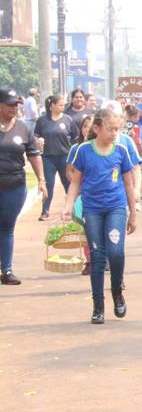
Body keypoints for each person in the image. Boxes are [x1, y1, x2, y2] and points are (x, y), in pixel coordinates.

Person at [62, 108, 138, 323]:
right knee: (97, 256)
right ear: (96, 128)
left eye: (117, 129)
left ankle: (117, 292)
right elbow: (75, 181)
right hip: (92, 209)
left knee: (116, 253)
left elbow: (128, 184)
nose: (114, 133)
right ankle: (98, 305)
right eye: (110, 129)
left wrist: (133, 213)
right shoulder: (84, 150)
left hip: (116, 208)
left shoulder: (121, 150)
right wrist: (68, 206)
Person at [0, 88, 45, 285]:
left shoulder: (23, 128)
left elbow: (33, 155)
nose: (13, 108)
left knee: (7, 227)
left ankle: (7, 270)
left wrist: (42, 180)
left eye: (15, 105)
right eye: (9, 105)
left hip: (14, 185)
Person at [34, 94, 79, 221]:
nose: (62, 107)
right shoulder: (42, 120)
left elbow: (75, 138)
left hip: (65, 157)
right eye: (60, 104)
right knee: (49, 184)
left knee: (68, 183)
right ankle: (45, 211)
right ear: (52, 105)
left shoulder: (68, 120)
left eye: (63, 105)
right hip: (48, 157)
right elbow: (35, 135)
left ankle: (74, 210)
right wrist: (38, 140)